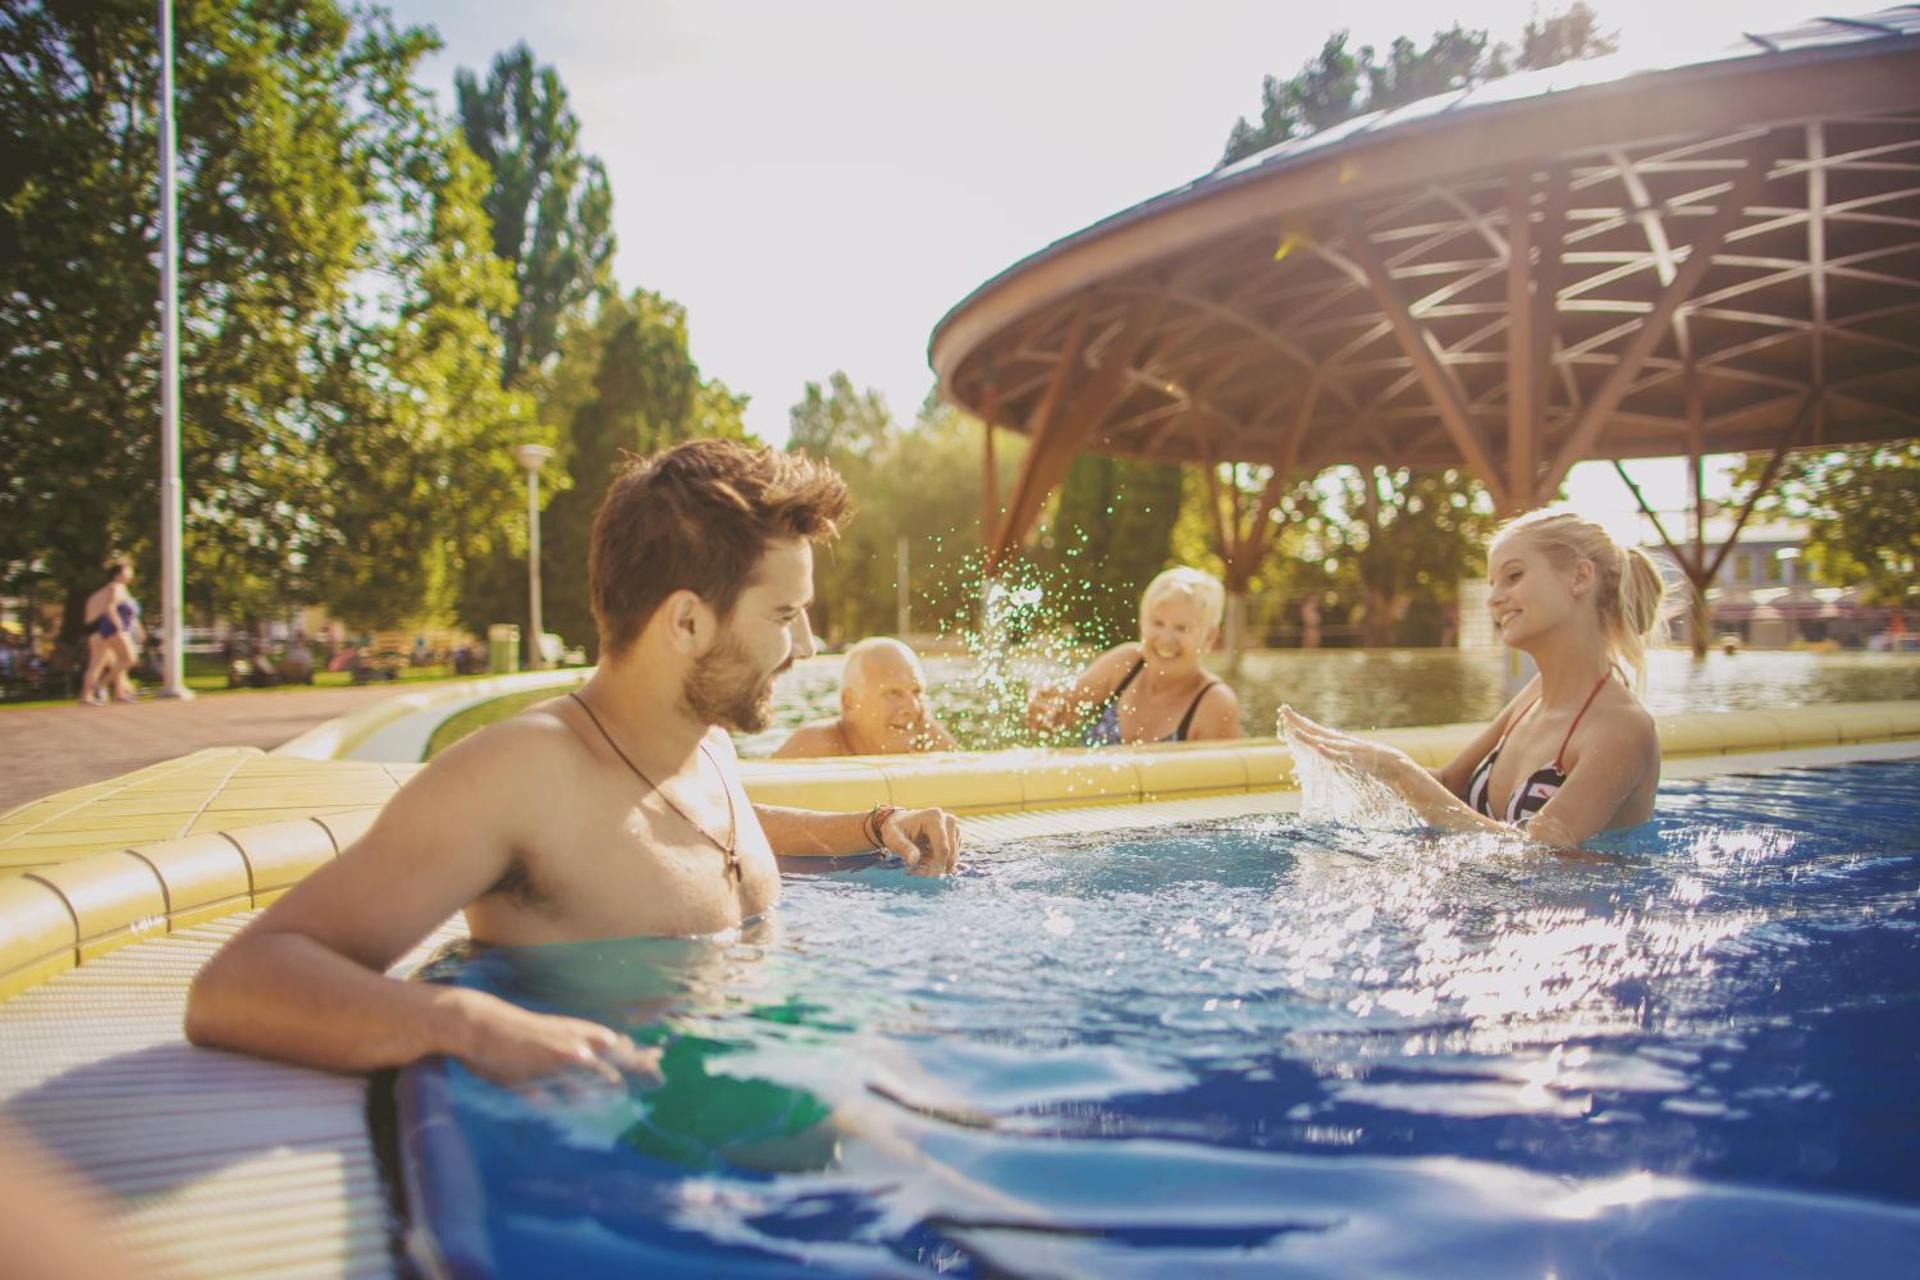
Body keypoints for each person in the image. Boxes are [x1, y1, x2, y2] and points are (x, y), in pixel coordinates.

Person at [186, 441, 964, 1087]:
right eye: (787, 615)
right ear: (688, 621)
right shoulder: (520, 774)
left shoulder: (706, 746)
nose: (810, 648)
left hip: (764, 1089)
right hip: (635, 1154)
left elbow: (696, 836)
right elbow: (243, 981)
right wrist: (471, 1025)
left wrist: (874, 827)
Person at [1282, 509, 1668, 849]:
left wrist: (1400, 770)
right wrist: (1358, 759)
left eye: (1513, 576)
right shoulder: (1533, 697)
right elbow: (1449, 783)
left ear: (1580, 577)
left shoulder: (1622, 728)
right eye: (1492, 584)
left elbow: (1538, 855)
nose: (1494, 598)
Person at [1027, 566, 1242, 745]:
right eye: (1158, 623)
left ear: (1210, 638)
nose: (1166, 639)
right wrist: (1044, 706)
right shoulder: (1124, 664)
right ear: (1141, 624)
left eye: (1182, 628)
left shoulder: (1215, 703)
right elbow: (1060, 712)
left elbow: (1222, 791)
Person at [773, 637, 958, 758]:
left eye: (917, 692)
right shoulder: (815, 746)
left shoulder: (926, 741)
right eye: (894, 693)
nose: (913, 707)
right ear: (850, 702)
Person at [77, 559, 136, 705]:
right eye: (128, 570)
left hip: (97, 627)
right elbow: (109, 609)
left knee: (115, 662)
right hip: (102, 627)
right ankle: (93, 692)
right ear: (119, 573)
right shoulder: (115, 587)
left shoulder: (112, 588)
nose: (131, 573)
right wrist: (119, 627)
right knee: (101, 663)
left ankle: (119, 693)